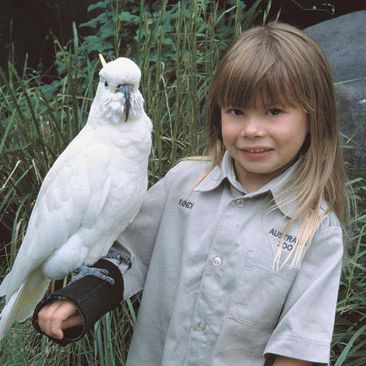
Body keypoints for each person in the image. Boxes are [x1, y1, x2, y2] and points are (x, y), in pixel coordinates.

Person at [32, 22, 349, 366]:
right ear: (218, 112)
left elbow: (297, 348)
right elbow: (127, 253)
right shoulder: (184, 183)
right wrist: (80, 300)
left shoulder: (318, 230)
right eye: (236, 111)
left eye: (274, 112)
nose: (252, 130)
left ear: (314, 116)